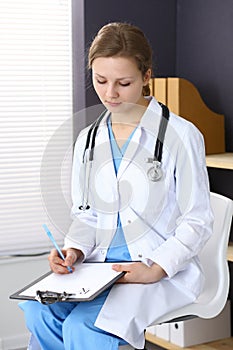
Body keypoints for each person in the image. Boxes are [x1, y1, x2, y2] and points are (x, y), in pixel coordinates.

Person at [20, 22, 213, 350]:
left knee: (86, 327)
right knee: (41, 310)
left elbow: (197, 220)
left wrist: (155, 269)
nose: (110, 94)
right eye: (100, 81)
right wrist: (74, 251)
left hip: (155, 266)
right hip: (97, 266)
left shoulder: (181, 135)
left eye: (124, 83)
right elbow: (86, 215)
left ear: (147, 77)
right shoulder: (88, 140)